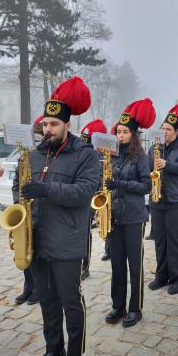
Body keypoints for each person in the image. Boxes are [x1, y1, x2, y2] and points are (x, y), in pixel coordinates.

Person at [15, 77, 100, 356]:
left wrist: (45, 189)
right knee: (47, 301)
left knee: (69, 300)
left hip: (67, 240)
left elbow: (85, 192)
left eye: (53, 124)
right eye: (45, 123)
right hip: (36, 238)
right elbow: (20, 187)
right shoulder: (34, 154)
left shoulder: (86, 154)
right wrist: (19, 211)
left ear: (66, 124)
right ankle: (54, 351)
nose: (47, 129)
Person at [104, 99, 154, 327]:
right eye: (118, 132)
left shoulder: (140, 157)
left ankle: (135, 308)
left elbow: (146, 186)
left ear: (133, 134)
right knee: (116, 264)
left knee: (135, 264)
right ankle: (118, 305)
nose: (120, 135)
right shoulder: (111, 156)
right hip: (114, 217)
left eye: (125, 132)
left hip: (134, 217)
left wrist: (120, 184)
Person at [148, 101, 178, 295]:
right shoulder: (154, 147)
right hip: (158, 199)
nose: (165, 132)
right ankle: (162, 276)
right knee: (160, 240)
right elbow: (147, 170)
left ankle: (177, 278)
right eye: (163, 128)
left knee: (176, 240)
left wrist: (167, 164)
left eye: (168, 129)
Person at [15, 115, 45, 305]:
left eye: (38, 139)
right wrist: (17, 203)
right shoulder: (24, 157)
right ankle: (28, 288)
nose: (35, 142)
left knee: (37, 255)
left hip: (39, 213)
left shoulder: (45, 158)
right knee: (24, 250)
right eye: (33, 138)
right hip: (24, 212)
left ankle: (38, 290)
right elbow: (16, 183)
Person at [80, 119, 108, 279]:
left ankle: (85, 266)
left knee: (85, 234)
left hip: (89, 199)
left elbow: (99, 181)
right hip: (77, 197)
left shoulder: (100, 156)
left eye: (87, 140)